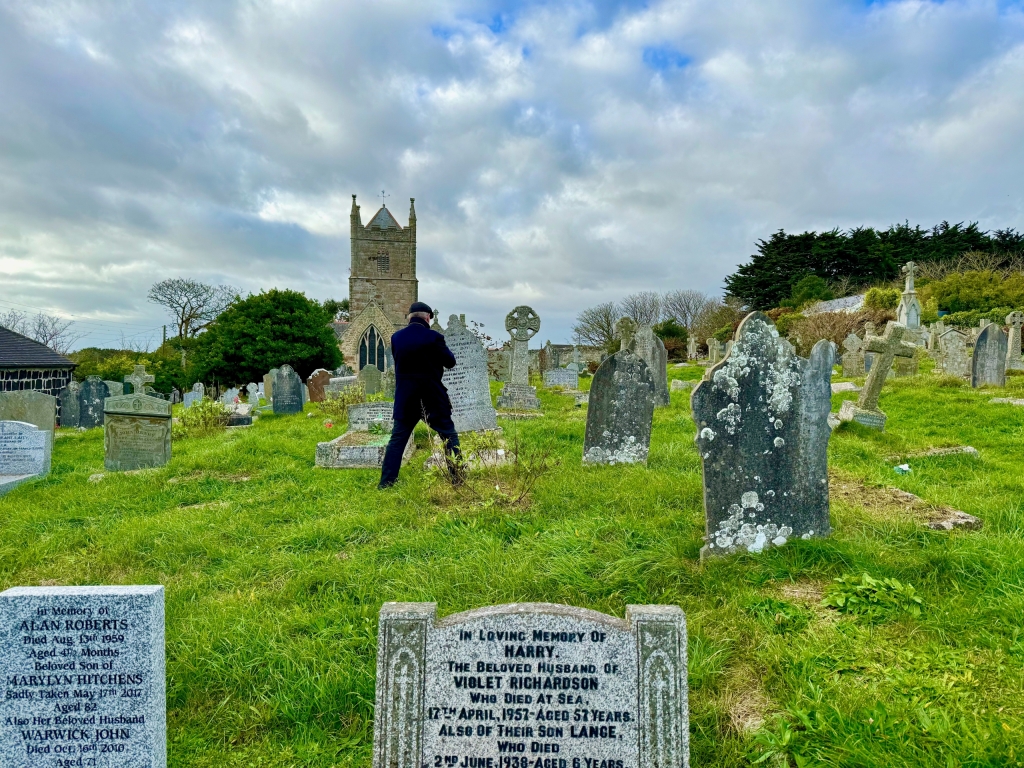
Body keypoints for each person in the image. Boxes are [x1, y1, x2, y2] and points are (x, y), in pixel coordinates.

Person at [378, 302, 463, 489]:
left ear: (409, 317)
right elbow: (450, 362)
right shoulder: (434, 338)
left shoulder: (396, 338)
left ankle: (386, 483)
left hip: (405, 397)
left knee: (397, 440)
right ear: (428, 317)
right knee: (448, 435)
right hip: (432, 395)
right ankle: (457, 479)